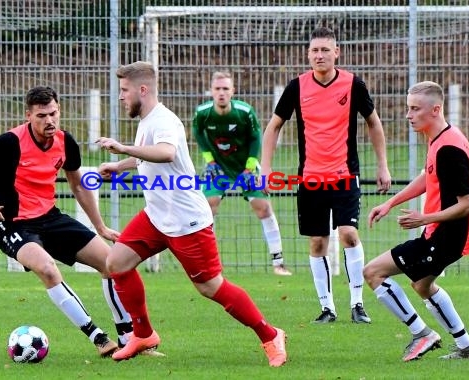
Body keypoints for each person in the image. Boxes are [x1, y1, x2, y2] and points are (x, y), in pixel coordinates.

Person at [95, 61, 287, 367]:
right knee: (116, 263)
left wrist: (123, 149)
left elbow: (167, 152)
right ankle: (143, 334)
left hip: (187, 223)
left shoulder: (164, 121)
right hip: (157, 216)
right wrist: (119, 167)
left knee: (211, 288)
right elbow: (152, 157)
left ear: (142, 90)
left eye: (124, 90)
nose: (120, 97)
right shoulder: (146, 120)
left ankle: (270, 334)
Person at [0, 86, 133, 357]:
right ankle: (98, 338)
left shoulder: (65, 142)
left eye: (53, 113)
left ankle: (128, 338)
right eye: (41, 116)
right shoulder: (9, 143)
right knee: (48, 270)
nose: (49, 120)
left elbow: (78, 186)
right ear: (29, 115)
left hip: (50, 217)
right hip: (11, 223)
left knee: (112, 263)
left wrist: (100, 226)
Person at [260, 27, 391, 323]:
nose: (319, 55)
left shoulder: (352, 84)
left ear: (336, 53)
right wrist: (265, 169)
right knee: (318, 243)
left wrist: (382, 165)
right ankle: (327, 308)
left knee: (348, 233)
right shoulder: (297, 86)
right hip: (310, 179)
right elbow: (273, 126)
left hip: (345, 175)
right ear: (308, 55)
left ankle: (357, 304)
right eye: (314, 50)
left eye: (324, 50)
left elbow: (373, 123)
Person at [364, 81, 469, 361]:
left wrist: (423, 218)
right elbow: (427, 177)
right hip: (438, 231)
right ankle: (468, 348)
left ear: (436, 109)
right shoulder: (440, 138)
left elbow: (468, 205)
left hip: (447, 234)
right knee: (422, 285)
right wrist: (390, 202)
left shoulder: (450, 149)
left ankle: (423, 334)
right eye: (408, 108)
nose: (409, 114)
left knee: (373, 273)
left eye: (415, 109)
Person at [192, 71, 291, 276]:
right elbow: (198, 135)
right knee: (207, 209)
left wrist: (250, 167)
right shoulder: (202, 113)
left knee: (263, 208)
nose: (221, 93)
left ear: (233, 91)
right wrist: (210, 162)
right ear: (211, 91)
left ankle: (279, 263)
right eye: (218, 89)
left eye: (225, 89)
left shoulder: (245, 112)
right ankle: (210, 265)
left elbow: (256, 138)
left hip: (245, 166)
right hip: (218, 168)